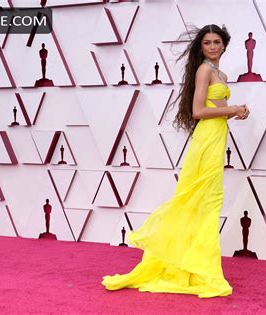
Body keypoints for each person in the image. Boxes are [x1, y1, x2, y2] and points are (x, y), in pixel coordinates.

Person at [101, 24, 249, 298]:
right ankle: (194, 270)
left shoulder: (222, 74)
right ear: (201, 47)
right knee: (198, 200)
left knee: (207, 203)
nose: (213, 46)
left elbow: (215, 112)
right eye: (207, 42)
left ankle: (196, 269)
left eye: (217, 42)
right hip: (205, 141)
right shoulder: (204, 70)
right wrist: (233, 108)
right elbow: (197, 111)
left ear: (225, 45)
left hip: (217, 137)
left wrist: (235, 113)